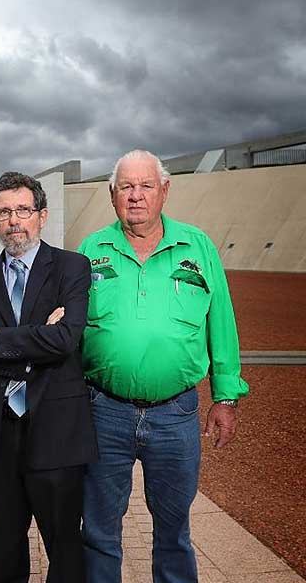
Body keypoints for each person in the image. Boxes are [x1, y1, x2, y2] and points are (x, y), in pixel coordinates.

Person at [78, 149, 248, 583]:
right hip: (103, 413)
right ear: (112, 194)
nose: (136, 196)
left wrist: (225, 396)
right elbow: (69, 332)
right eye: (126, 187)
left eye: (146, 186)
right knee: (98, 530)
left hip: (176, 415)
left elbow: (221, 323)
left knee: (173, 530)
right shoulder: (90, 250)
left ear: (164, 190)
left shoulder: (198, 246)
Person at [0, 172, 97, 583]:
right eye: (4, 212)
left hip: (57, 427)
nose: (14, 220)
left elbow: (66, 340)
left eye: (23, 210)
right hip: (1, 430)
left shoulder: (71, 267)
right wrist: (40, 337)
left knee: (64, 545)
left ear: (41, 216)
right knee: (5, 543)